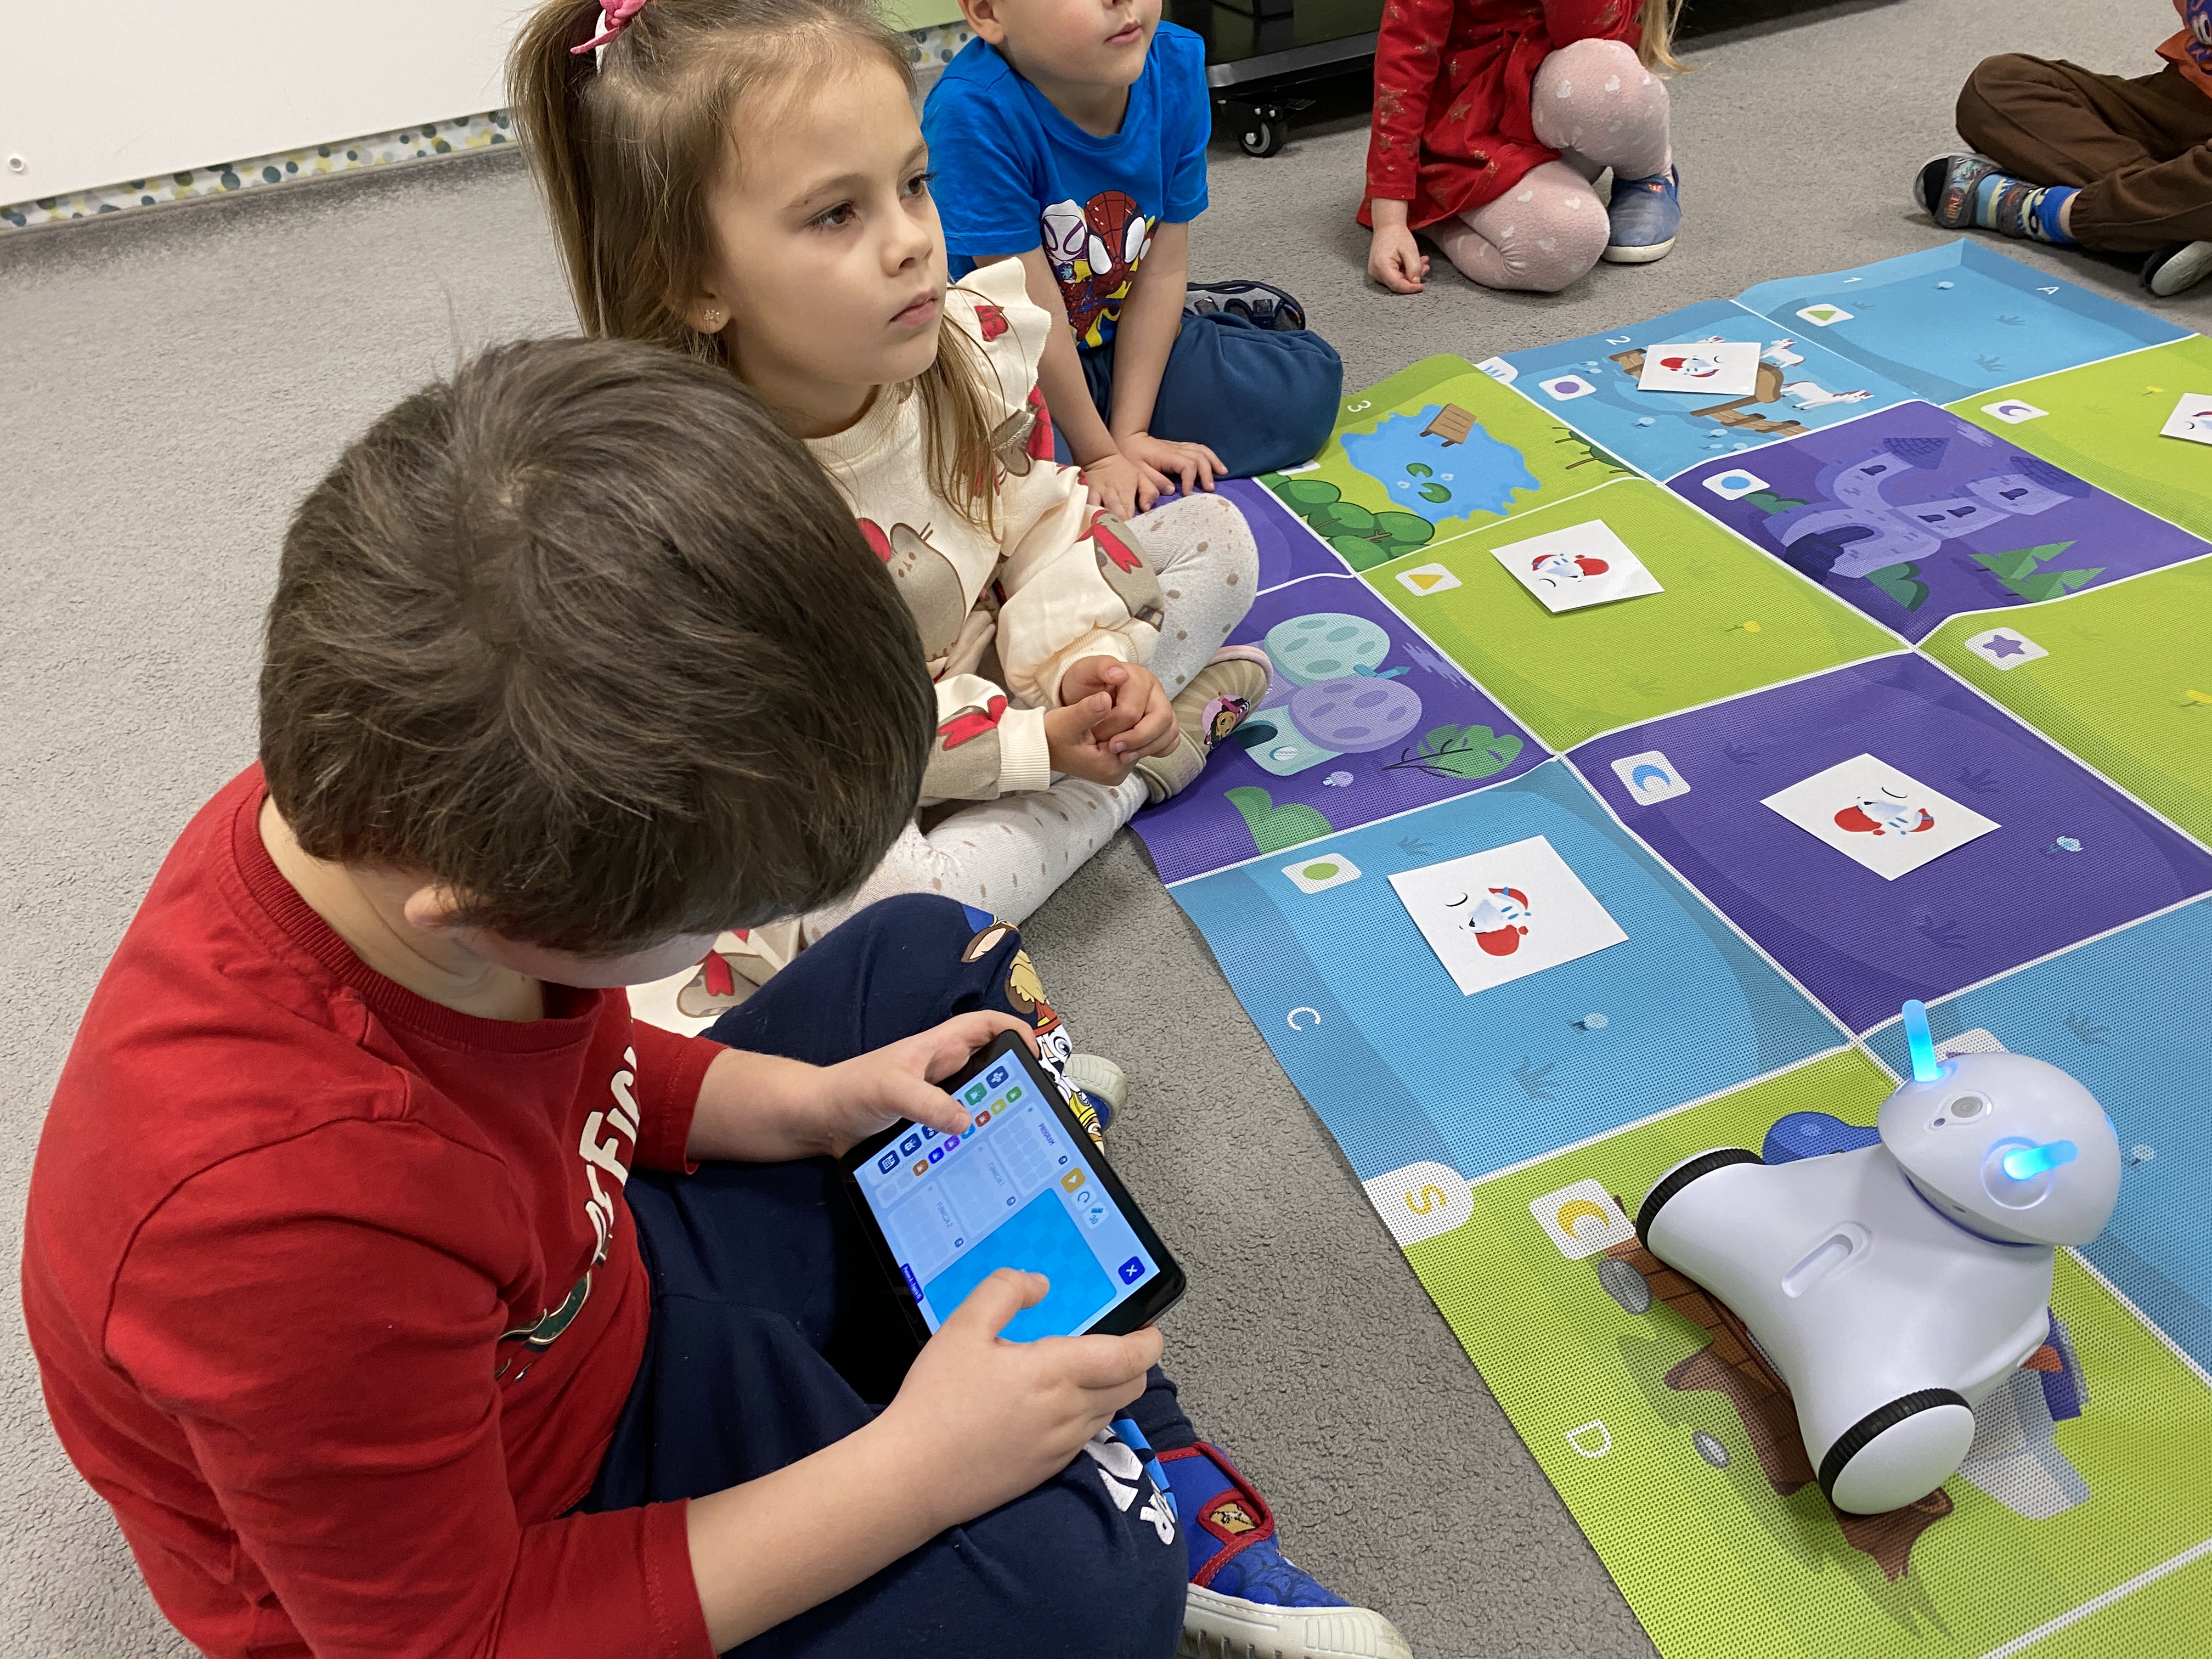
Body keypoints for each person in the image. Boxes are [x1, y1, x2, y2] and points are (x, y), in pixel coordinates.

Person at [21, 336, 1411, 1659]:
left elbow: (585, 1078)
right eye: (699, 923)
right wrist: (917, 1469)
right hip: (540, 1524)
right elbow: (459, 1635)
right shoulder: (280, 1230)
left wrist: (808, 1104)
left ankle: (1094, 1434)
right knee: (1086, 1599)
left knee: (928, 956)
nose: (728, 940)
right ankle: (1068, 1465)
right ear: (478, 910)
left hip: (580, 1290)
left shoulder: (391, 803)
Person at [511, 0, 1274, 1028]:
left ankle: (1100, 748)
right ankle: (1140, 774)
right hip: (849, 761)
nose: (914, 241)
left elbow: (1037, 514)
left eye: (914, 184)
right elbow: (839, 746)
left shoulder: (967, 345)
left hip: (982, 661)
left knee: (1217, 537)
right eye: (837, 214)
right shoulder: (711, 497)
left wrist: (1082, 666)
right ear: (696, 282)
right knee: (878, 909)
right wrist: (1044, 745)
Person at [922, 0, 1345, 505]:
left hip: (1120, 327)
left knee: (1308, 392)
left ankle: (1182, 323)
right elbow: (1029, 318)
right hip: (1020, 360)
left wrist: (1131, 434)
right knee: (1000, 491)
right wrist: (1100, 456)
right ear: (988, 13)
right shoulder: (972, 112)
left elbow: (1161, 271)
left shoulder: (1175, 63)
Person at [1363, 0, 1686, 296]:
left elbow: (1586, 34)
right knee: (1569, 241)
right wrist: (1391, 221)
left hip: (1560, 107)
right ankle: (1436, 216)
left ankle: (1647, 176)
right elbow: (1404, 63)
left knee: (1610, 85)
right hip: (1467, 132)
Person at [1917, 5, 2212, 298]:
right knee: (1997, 83)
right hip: (2188, 93)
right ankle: (2167, 217)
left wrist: (2064, 214)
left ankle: (2042, 211)